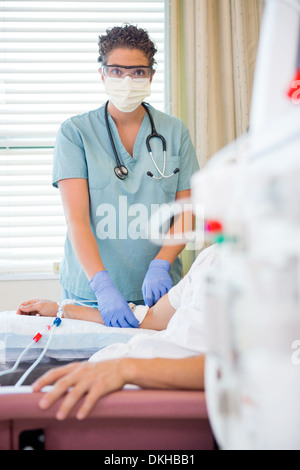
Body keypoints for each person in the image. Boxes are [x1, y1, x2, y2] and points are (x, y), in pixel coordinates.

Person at [52, 24, 199, 329]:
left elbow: (188, 211)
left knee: (156, 371)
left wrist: (162, 262)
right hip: (92, 293)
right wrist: (103, 286)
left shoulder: (174, 131)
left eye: (138, 72)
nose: (127, 80)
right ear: (102, 74)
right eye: (117, 71)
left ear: (151, 75)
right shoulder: (75, 132)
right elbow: (76, 220)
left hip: (158, 292)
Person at [27, 244, 218, 420]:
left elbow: (235, 367)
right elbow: (152, 318)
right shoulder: (213, 257)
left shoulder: (245, 271)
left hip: (139, 394)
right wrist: (64, 310)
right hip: (111, 369)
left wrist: (124, 369)